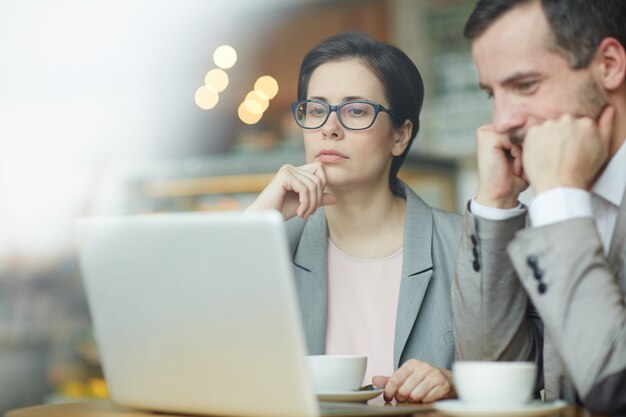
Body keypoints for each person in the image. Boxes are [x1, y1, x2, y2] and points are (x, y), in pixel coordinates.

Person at [247, 31, 461, 403]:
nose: (330, 127)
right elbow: (178, 339)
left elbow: (525, 363)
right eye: (316, 109)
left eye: (356, 110)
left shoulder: (464, 246)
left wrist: (456, 382)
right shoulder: (271, 244)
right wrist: (256, 220)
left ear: (401, 136)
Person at [452, 0, 626, 414]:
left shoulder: (555, 207)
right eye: (492, 94)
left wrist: (559, 201)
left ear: (608, 64)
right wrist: (496, 205)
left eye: (525, 85)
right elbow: (495, 384)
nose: (502, 119)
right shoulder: (546, 209)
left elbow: (617, 393)